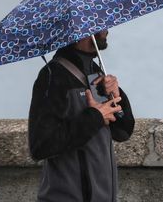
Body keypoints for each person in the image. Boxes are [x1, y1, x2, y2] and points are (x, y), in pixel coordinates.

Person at [28, 29, 135, 202]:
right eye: (100, 23)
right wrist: (95, 117)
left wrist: (116, 97)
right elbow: (40, 145)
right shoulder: (52, 76)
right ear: (83, 29)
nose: (107, 29)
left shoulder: (94, 72)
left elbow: (123, 132)